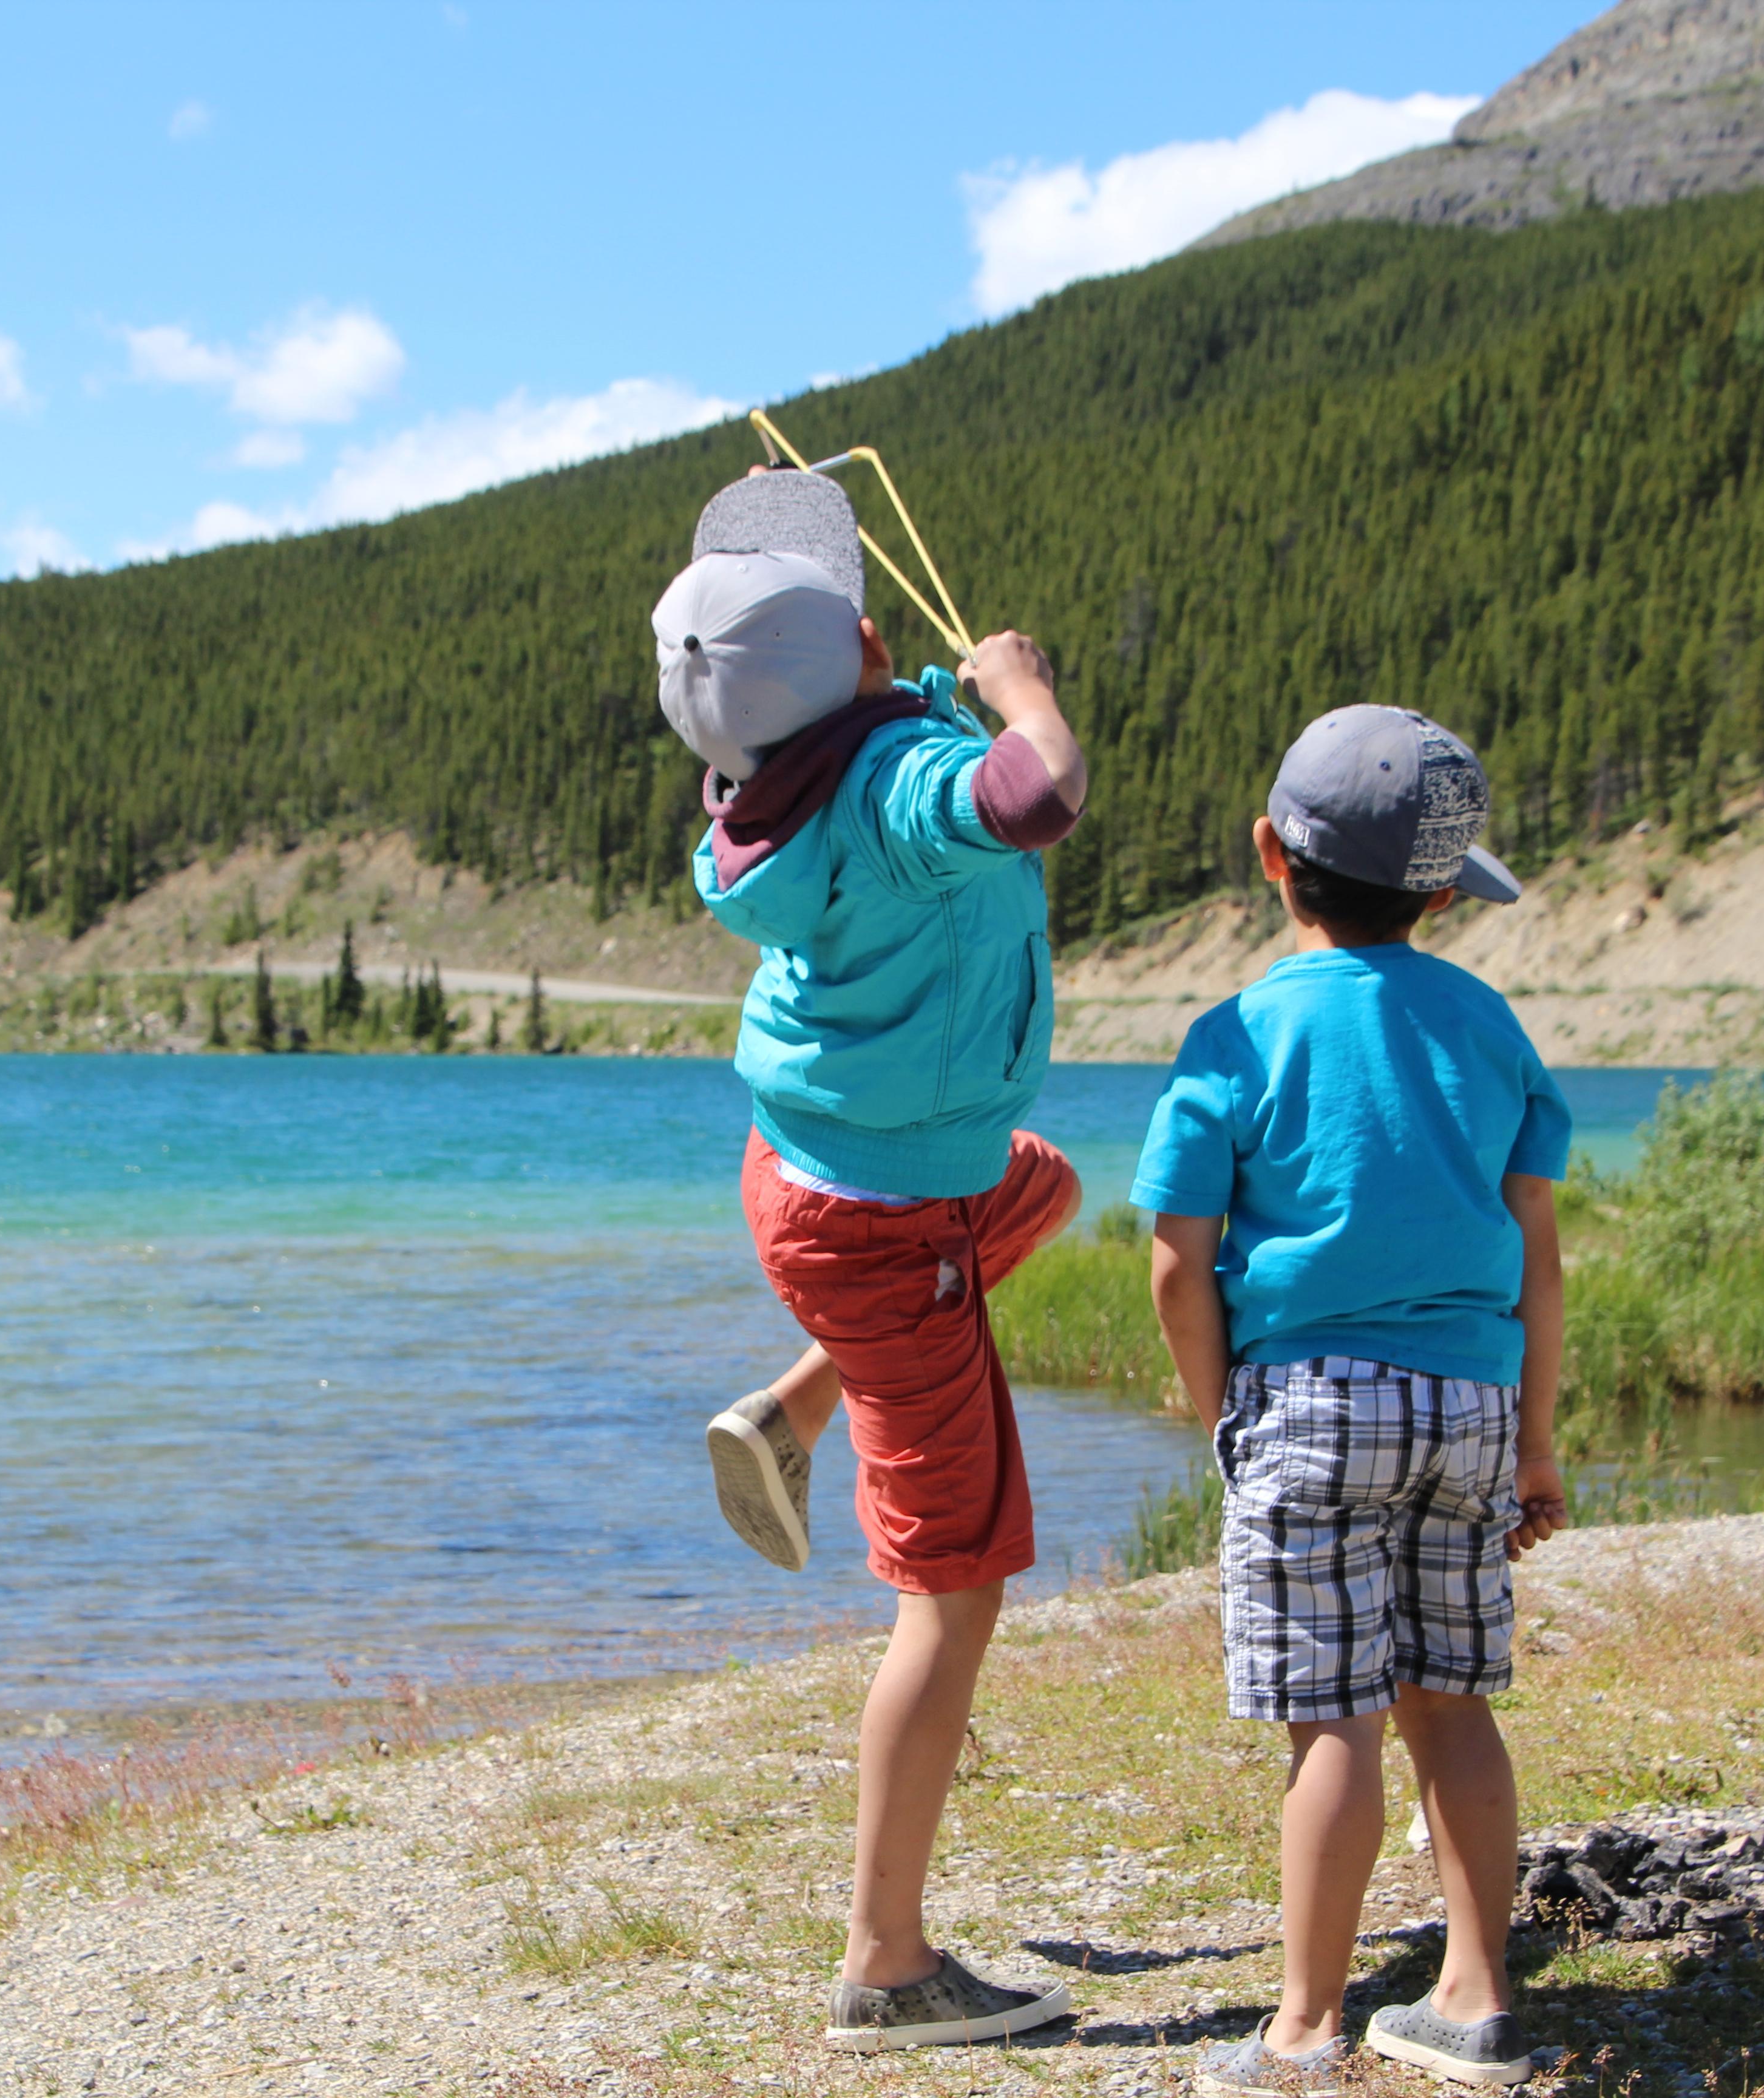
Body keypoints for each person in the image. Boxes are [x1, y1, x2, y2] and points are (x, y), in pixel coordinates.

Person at [657, 466, 1088, 2051]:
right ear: (860, 649)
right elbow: (1035, 796)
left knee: (1035, 1191)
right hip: (888, 1228)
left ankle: (791, 1407)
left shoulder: (755, 796)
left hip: (824, 1181)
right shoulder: (908, 784)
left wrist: (888, 681)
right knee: (953, 1586)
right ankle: (887, 1961)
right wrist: (1019, 688)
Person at [1130, 705, 1570, 2091]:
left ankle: (1305, 2028)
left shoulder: (1238, 1032)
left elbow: (1173, 1264)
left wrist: (1222, 1415)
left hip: (1309, 1405)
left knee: (1335, 1718)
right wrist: (1537, 1447)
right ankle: (1476, 1997)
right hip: (1473, 1407)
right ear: (1445, 892)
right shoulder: (1490, 1026)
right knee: (1453, 1697)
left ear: (1272, 854)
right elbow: (1539, 1259)